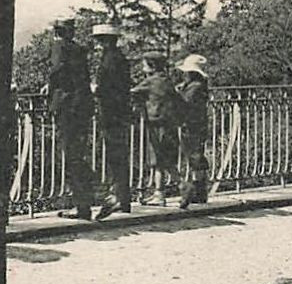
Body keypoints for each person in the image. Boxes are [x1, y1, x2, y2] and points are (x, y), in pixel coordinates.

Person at [48, 18, 96, 221]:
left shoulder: (59, 46)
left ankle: (83, 203)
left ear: (56, 32)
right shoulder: (78, 50)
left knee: (70, 156)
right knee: (78, 155)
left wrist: (51, 88)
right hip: (82, 107)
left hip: (67, 107)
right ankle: (86, 201)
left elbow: (57, 70)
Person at [91, 23, 133, 220]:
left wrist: (94, 89)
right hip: (121, 112)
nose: (97, 44)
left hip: (111, 112)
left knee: (114, 153)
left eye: (99, 41)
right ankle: (123, 198)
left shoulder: (108, 60)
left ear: (105, 41)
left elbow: (106, 87)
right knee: (120, 154)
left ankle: (116, 196)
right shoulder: (121, 58)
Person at [136, 50, 180, 205]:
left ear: (152, 66)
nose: (142, 67)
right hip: (169, 124)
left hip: (156, 124)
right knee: (165, 159)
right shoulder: (166, 80)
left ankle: (180, 187)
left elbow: (132, 92)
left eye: (144, 64)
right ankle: (160, 192)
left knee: (157, 159)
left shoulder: (151, 81)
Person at [174, 53, 213, 208]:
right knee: (194, 155)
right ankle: (199, 189)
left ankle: (199, 190)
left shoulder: (195, 87)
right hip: (196, 123)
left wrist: (177, 94)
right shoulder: (197, 85)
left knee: (195, 156)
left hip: (193, 124)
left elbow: (185, 102)